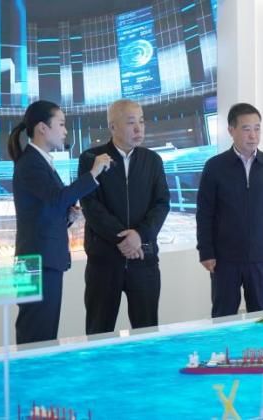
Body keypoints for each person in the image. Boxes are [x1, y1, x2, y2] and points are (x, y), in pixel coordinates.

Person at [10, 100, 112, 344]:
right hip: (37, 262)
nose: (65, 131)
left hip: (43, 260)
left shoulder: (40, 161)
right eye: (62, 124)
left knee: (43, 335)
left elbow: (47, 207)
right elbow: (57, 198)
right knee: (36, 336)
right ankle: (31, 372)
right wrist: (93, 174)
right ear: (42, 128)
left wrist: (67, 216)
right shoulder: (31, 163)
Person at [78, 99, 170, 335]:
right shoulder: (91, 158)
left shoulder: (153, 160)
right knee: (99, 332)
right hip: (104, 263)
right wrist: (123, 239)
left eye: (141, 121)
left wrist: (140, 235)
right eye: (131, 123)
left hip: (144, 261)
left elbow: (161, 204)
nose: (139, 128)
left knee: (147, 333)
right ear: (113, 127)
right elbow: (91, 205)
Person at [196, 103, 263, 317]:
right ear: (231, 130)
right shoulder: (215, 166)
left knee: (261, 317)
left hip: (262, 258)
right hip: (224, 260)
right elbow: (204, 213)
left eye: (257, 128)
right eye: (246, 129)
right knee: (223, 317)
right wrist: (206, 251)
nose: (253, 135)